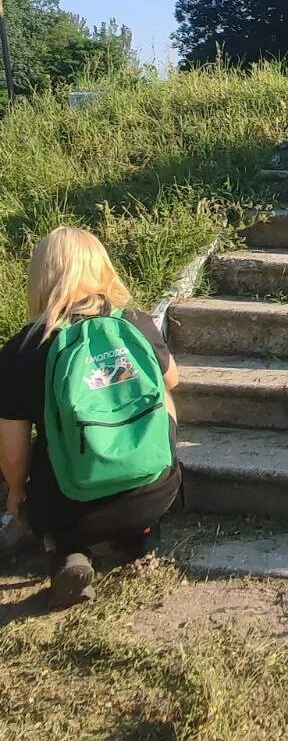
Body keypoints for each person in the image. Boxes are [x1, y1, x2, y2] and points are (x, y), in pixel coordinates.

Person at [0, 227, 181, 609]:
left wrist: (18, 494)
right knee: (162, 393)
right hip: (155, 491)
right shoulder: (134, 322)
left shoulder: (24, 348)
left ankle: (69, 553)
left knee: (51, 464)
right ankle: (142, 534)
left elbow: (13, 452)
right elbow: (174, 379)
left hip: (69, 505)